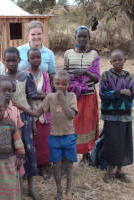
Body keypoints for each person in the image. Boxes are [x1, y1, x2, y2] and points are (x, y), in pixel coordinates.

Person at [26, 70, 78, 200]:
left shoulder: (72, 96)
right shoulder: (49, 97)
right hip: (54, 136)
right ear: (53, 84)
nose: (61, 86)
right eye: (58, 83)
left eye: (64, 84)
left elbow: (71, 115)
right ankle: (59, 191)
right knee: (56, 165)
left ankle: (68, 190)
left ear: (69, 84)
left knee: (69, 164)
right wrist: (22, 107)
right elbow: (37, 113)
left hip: (69, 136)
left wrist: (62, 100)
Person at [4, 47, 39, 200]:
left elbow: (31, 99)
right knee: (12, 152)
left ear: (19, 60)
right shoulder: (1, 78)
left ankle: (31, 187)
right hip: (8, 119)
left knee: (28, 150)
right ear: (4, 61)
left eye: (14, 60)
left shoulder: (26, 76)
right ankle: (15, 187)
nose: (11, 63)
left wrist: (33, 122)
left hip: (25, 118)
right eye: (8, 60)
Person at [64, 26, 100, 165]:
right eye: (80, 36)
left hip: (89, 95)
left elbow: (96, 78)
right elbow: (64, 75)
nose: (83, 39)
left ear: (89, 38)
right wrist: (74, 75)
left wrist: (85, 72)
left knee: (88, 124)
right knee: (72, 125)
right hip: (72, 96)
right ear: (76, 38)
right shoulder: (68, 53)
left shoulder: (94, 54)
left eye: (85, 36)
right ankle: (70, 156)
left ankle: (86, 155)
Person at [0, 75, 25, 198]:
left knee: (16, 172)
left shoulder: (14, 109)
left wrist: (20, 152)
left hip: (13, 150)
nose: (7, 93)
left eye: (9, 90)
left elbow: (18, 130)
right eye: (4, 90)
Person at [100, 49, 133, 183]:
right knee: (111, 143)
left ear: (125, 60)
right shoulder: (106, 75)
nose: (118, 62)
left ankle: (120, 171)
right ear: (111, 62)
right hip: (110, 116)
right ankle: (109, 171)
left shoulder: (129, 77)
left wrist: (128, 93)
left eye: (120, 59)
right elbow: (103, 94)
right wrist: (120, 92)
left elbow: (132, 93)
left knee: (124, 143)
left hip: (125, 116)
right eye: (115, 60)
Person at [25, 48, 52, 179]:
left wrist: (37, 95)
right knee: (32, 140)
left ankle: (44, 167)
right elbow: (25, 95)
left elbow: (49, 94)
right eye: (33, 58)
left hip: (44, 111)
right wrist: (37, 95)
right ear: (28, 59)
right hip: (29, 110)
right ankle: (33, 167)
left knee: (44, 140)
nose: (36, 60)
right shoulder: (24, 75)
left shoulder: (45, 75)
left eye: (38, 57)